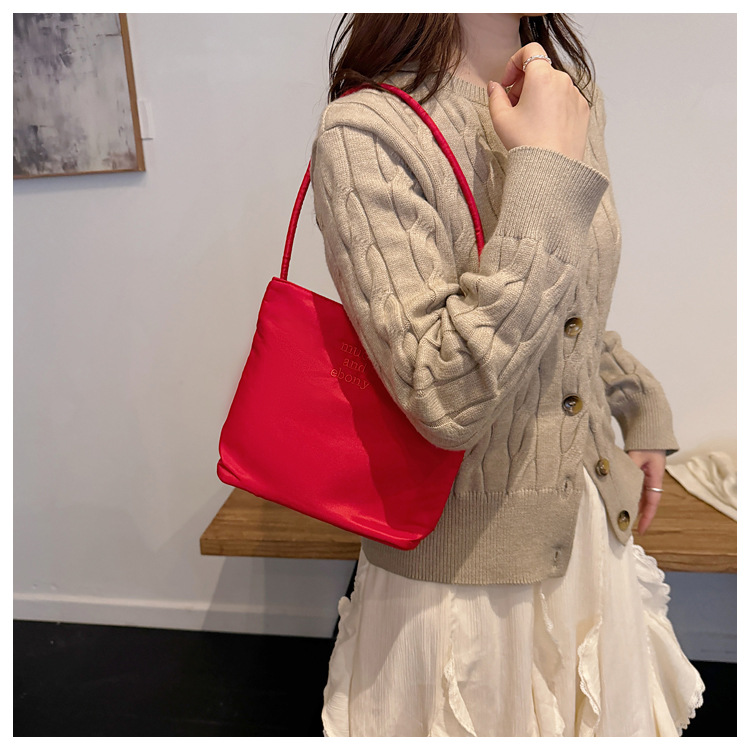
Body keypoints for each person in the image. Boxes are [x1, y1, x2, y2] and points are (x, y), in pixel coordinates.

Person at [309, 13, 705, 737]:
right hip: (460, 587)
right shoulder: (367, 130)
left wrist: (635, 399)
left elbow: (567, 301)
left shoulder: (568, 95)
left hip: (591, 533)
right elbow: (443, 395)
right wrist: (545, 173)